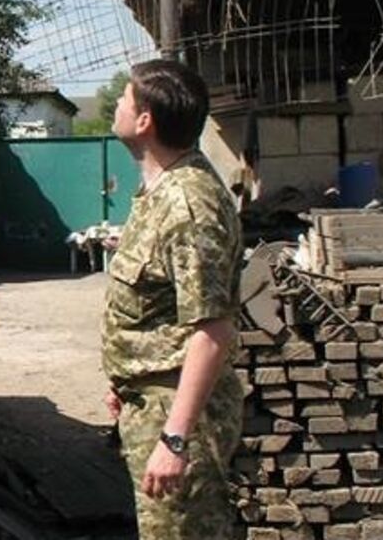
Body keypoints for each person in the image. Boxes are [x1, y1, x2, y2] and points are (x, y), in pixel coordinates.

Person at [101, 59, 243, 540]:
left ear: (144, 121)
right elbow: (159, 310)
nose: (116, 104)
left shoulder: (187, 204)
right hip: (153, 402)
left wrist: (176, 438)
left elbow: (213, 331)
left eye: (123, 98)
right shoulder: (159, 191)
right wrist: (127, 378)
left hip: (178, 415)